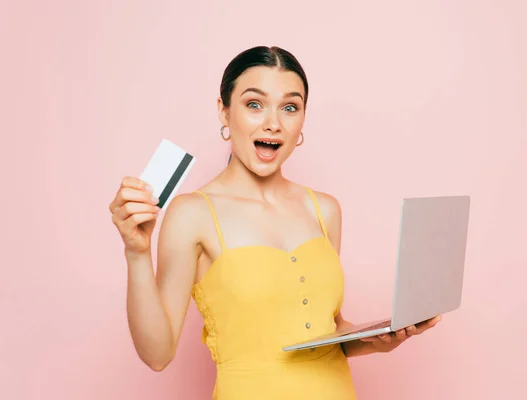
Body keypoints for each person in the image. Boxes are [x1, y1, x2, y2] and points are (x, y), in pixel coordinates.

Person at [109, 46, 441, 399]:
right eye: (254, 104)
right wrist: (137, 253)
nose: (273, 123)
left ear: (302, 120)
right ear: (224, 111)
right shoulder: (192, 213)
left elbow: (326, 330)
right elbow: (157, 355)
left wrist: (376, 339)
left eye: (290, 107)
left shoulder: (324, 209)